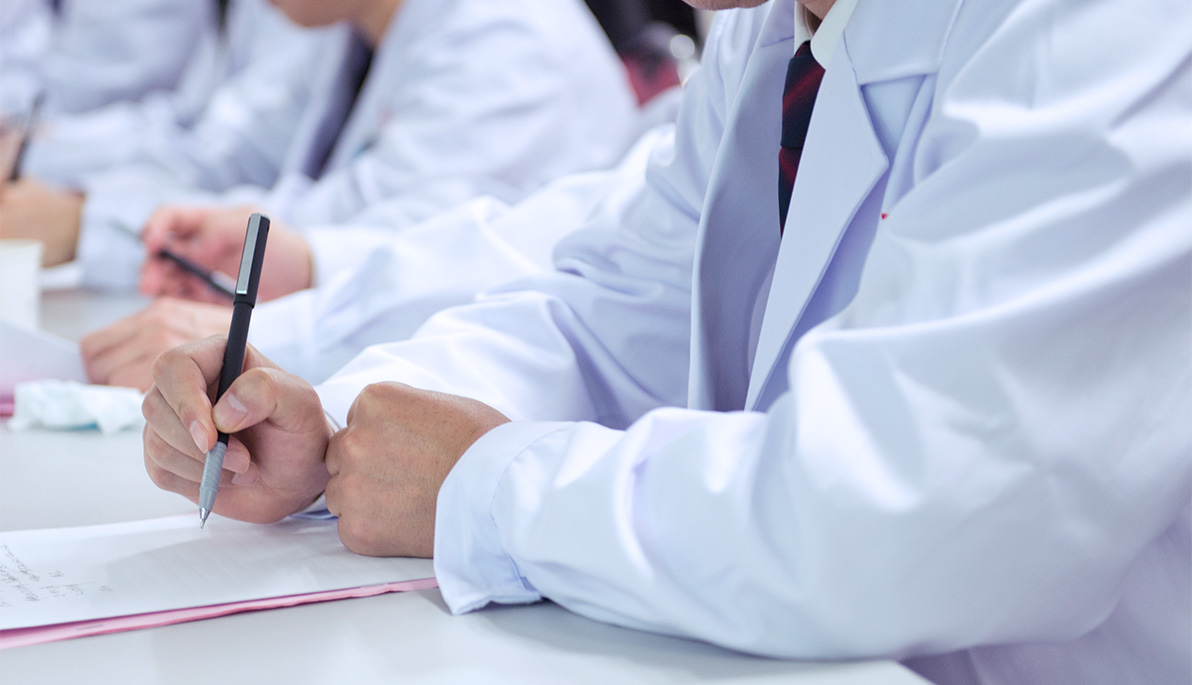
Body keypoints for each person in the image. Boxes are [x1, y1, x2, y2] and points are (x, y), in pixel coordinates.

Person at [140, 0, 1192, 683]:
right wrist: (333, 420)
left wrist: (484, 482)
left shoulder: (1103, 28)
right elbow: (606, 315)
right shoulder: (768, 38)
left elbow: (910, 507)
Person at [0, 0, 639, 285]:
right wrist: (33, 160)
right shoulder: (346, 32)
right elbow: (223, 151)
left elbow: (362, 241)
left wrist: (92, 225)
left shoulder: (504, 40)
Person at [80, 126, 671, 390]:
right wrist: (308, 263)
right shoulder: (333, 39)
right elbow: (232, 140)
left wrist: (276, 335)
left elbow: (549, 272)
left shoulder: (504, 40)